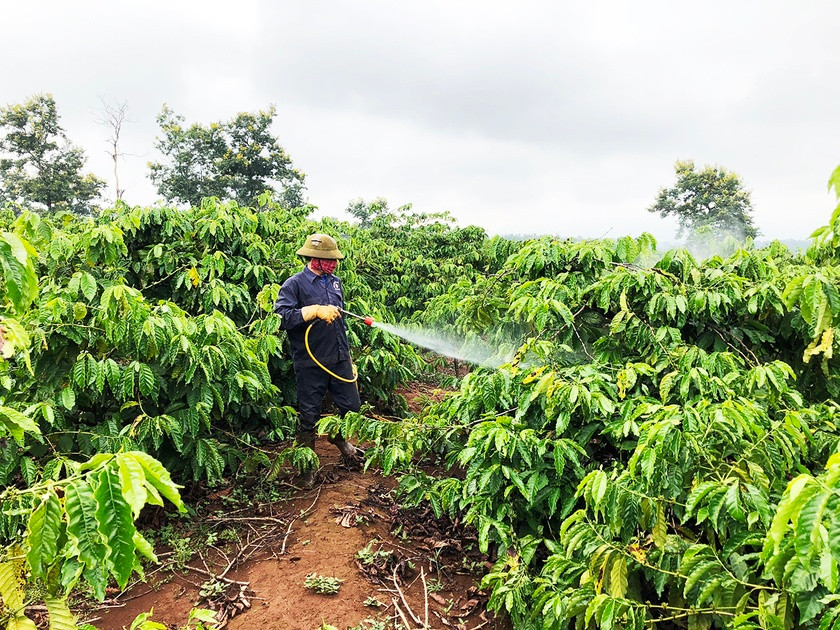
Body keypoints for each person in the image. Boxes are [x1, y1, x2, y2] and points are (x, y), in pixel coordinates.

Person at [274, 233, 362, 486]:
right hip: (310, 360)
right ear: (314, 259)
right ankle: (307, 467)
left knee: (351, 407)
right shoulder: (294, 284)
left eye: (335, 261)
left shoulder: (335, 283)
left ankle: (339, 439)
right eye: (329, 261)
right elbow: (281, 318)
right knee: (309, 415)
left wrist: (347, 355)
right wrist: (312, 311)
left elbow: (340, 322)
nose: (334, 265)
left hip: (338, 357)